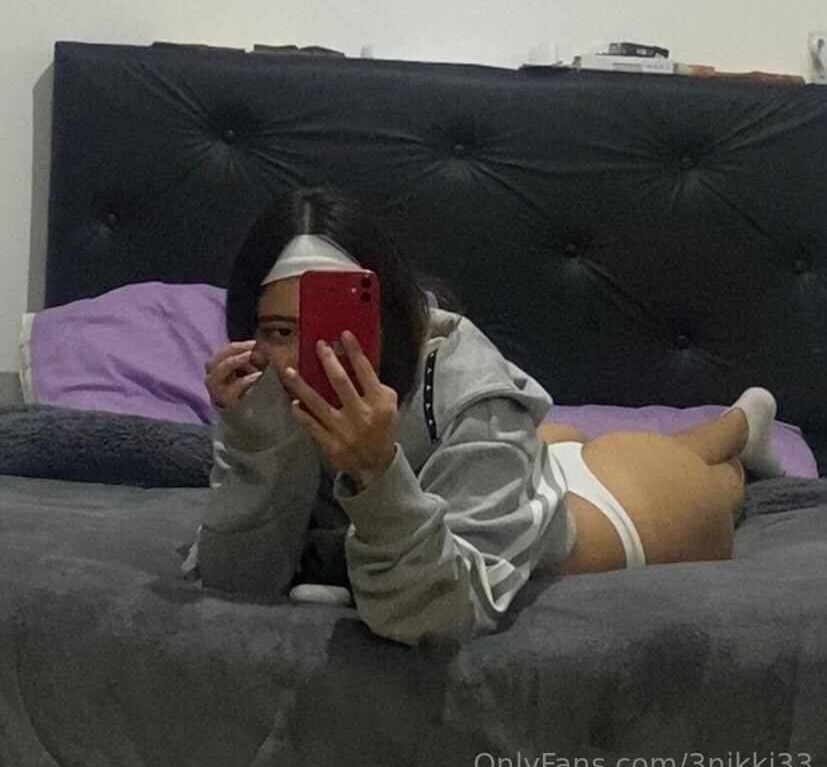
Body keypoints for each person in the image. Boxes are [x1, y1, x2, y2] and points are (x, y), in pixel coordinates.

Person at [185, 185, 782, 646]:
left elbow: (444, 613)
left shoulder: (470, 387)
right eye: (280, 331)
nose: (312, 355)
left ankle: (742, 427)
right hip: (498, 472)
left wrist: (376, 474)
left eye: (336, 326)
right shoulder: (264, 392)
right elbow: (234, 581)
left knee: (713, 481)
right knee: (545, 439)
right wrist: (256, 446)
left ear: (385, 314)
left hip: (607, 516)